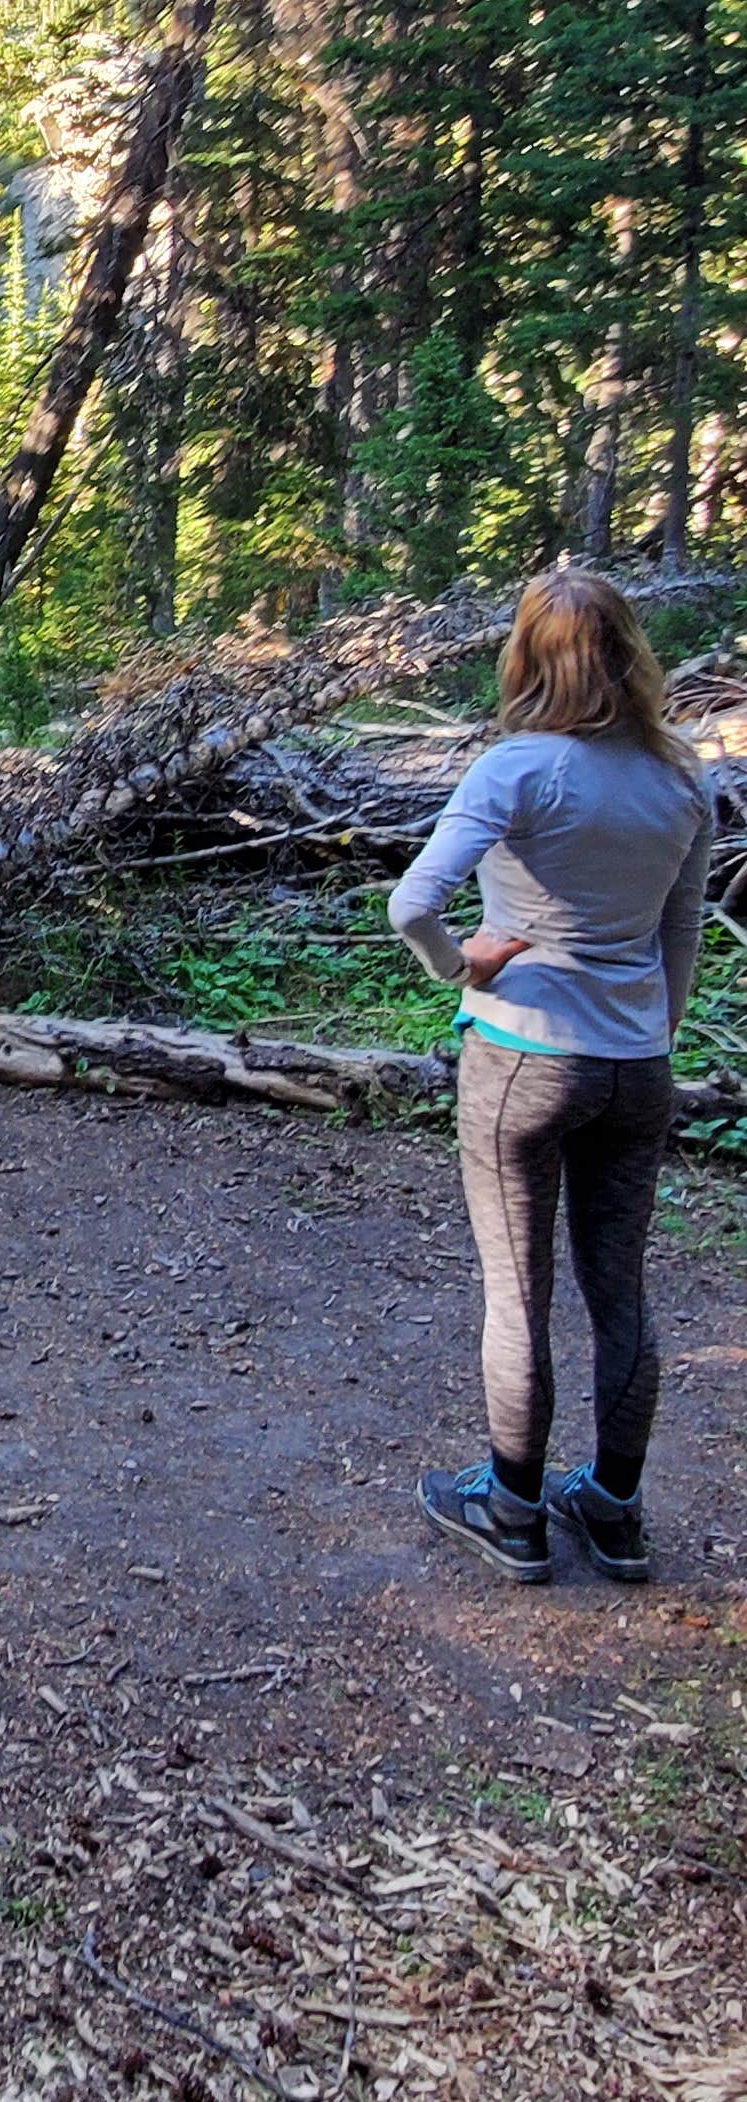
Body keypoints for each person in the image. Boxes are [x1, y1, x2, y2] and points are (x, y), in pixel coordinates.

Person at [387, 567, 712, 1587]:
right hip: (637, 1066)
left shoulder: (516, 770)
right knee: (620, 1292)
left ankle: (514, 1510)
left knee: (518, 1296)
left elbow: (413, 906)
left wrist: (461, 962)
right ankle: (613, 1511)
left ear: (525, 655)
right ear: (628, 652)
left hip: (522, 1061)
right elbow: (681, 931)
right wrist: (652, 1028)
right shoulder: (680, 776)